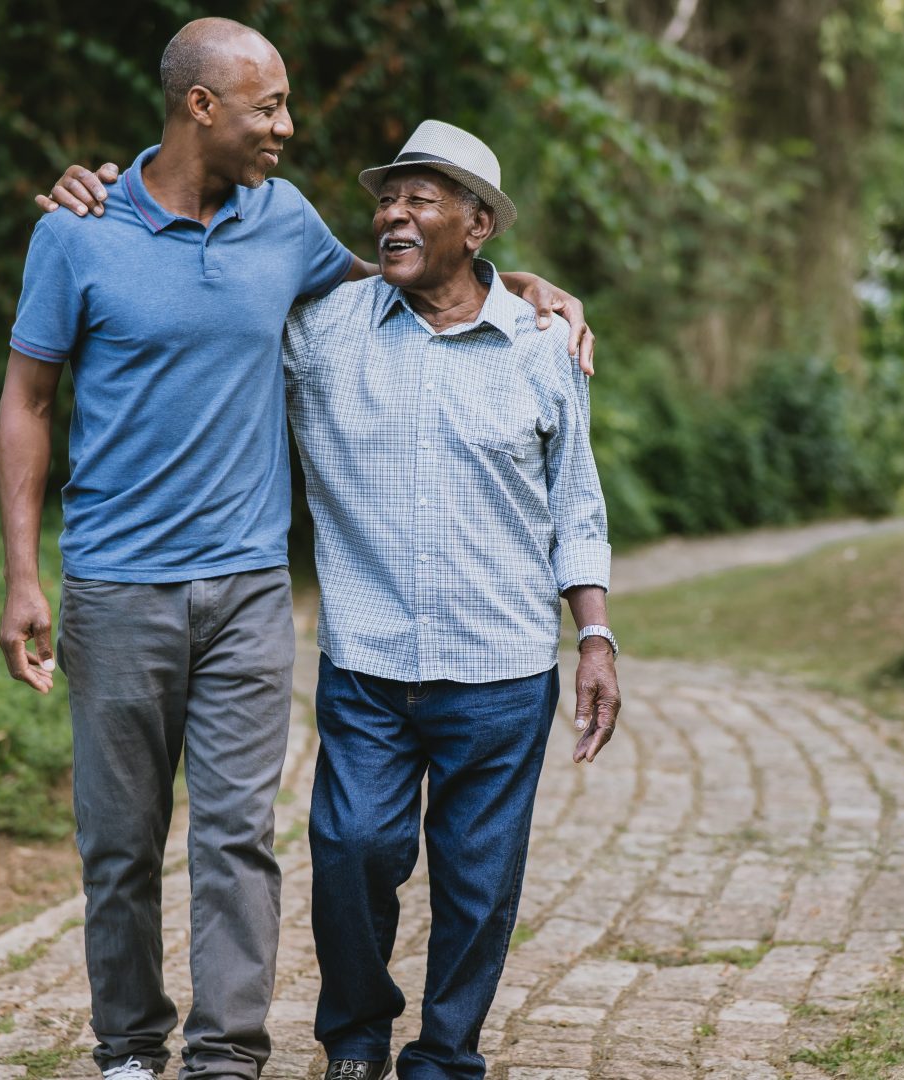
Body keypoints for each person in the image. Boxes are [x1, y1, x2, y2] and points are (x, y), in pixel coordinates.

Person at [0, 18, 592, 1080]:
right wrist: (20, 576)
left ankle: (229, 1056)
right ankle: (130, 1048)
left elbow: (401, 276)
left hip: (251, 592)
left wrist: (526, 289)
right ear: (200, 107)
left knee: (239, 840)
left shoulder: (285, 225)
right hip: (116, 587)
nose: (287, 125)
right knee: (123, 846)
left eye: (284, 103)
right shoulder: (81, 235)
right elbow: (28, 400)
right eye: (267, 106)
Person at [282, 120, 622, 1080]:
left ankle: (444, 1056)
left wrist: (593, 636)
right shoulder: (320, 331)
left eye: (420, 198)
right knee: (350, 853)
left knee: (477, 887)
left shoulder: (542, 345)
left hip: (504, 669)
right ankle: (354, 1039)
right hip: (369, 660)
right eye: (386, 197)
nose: (392, 212)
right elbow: (206, 310)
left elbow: (577, 506)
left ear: (476, 226)